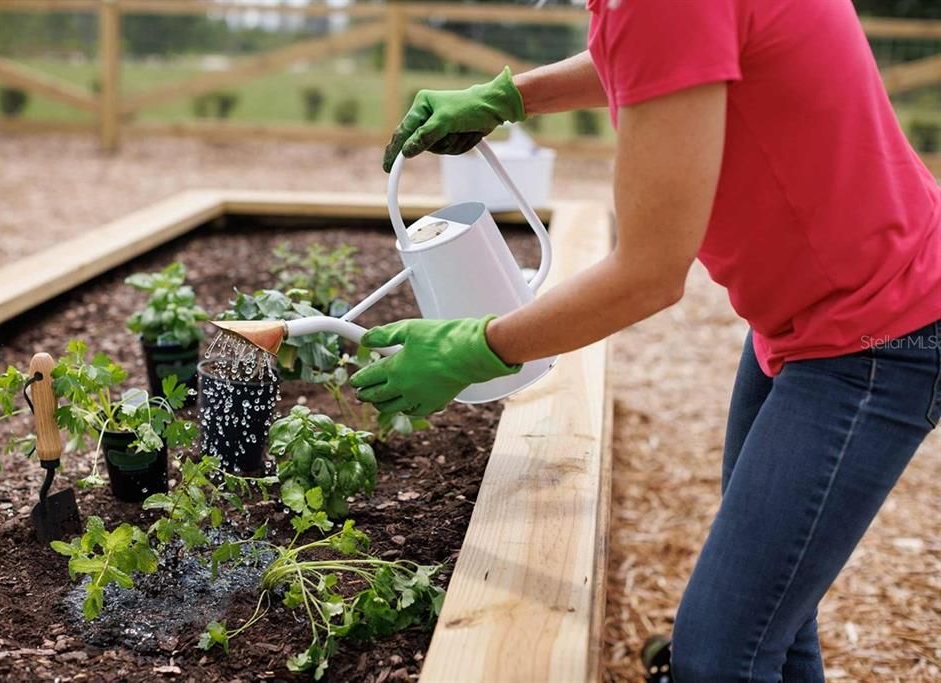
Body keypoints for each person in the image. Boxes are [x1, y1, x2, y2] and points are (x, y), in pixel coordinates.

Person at [349, 1, 941, 681]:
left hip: (873, 334)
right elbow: (661, 60)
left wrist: (477, 347)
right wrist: (509, 97)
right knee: (772, 618)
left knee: (721, 657)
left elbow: (649, 275)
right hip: (812, 313)